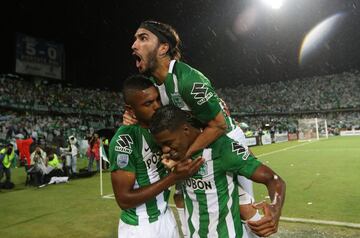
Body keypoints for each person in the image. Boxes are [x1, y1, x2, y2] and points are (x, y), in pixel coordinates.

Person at [130, 20, 257, 236]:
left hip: (225, 140)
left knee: (243, 209)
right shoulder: (153, 87)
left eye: (143, 38)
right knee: (182, 197)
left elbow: (219, 125)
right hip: (199, 143)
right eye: (135, 39)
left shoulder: (188, 81)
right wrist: (130, 118)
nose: (134, 45)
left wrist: (183, 157)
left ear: (163, 48)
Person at [149, 105, 286, 238]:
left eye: (168, 143)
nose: (165, 150)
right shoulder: (177, 155)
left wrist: (275, 207)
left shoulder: (221, 148)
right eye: (161, 145)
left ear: (185, 130)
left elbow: (272, 179)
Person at [109, 75, 204, 238]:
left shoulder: (164, 129)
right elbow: (124, 199)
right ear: (130, 110)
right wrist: (172, 178)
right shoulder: (125, 140)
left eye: (157, 99)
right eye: (148, 103)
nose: (156, 106)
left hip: (166, 217)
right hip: (141, 227)